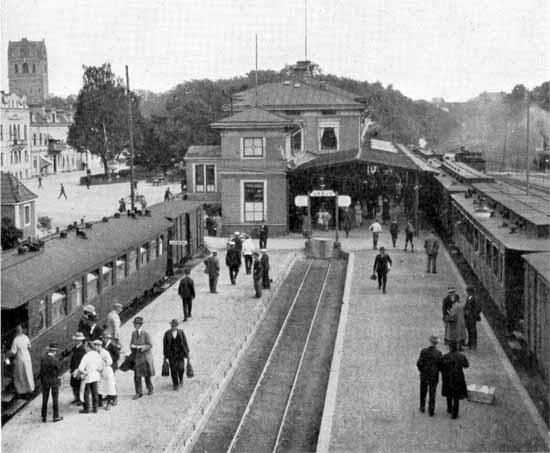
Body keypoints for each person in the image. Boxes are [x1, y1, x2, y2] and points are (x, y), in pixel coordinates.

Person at [441, 341, 469, 419]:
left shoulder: (445, 356)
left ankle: (449, 408)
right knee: (456, 396)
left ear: (449, 348)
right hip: (458, 378)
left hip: (448, 378)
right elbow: (466, 365)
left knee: (449, 394)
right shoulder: (461, 356)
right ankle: (455, 413)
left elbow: (441, 366)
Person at [416, 335, 443, 416]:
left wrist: (421, 371)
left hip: (424, 374)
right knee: (432, 392)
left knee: (423, 391)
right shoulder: (439, 353)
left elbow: (419, 363)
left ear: (430, 342)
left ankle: (422, 406)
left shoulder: (424, 351)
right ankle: (431, 409)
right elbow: (440, 365)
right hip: (434, 375)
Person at [130, 316, 155, 399]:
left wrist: (142, 347)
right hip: (137, 357)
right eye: (134, 324)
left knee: (146, 375)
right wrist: (132, 347)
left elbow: (150, 345)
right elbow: (131, 344)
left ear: (140, 325)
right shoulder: (133, 333)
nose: (135, 325)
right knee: (137, 376)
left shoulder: (146, 333)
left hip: (145, 357)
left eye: (136, 324)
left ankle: (150, 388)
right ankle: (138, 392)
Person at [163, 319, 190, 390]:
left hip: (180, 354)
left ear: (177, 326)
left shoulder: (181, 332)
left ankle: (181, 379)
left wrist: (187, 353)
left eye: (174, 326)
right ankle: (175, 384)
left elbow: (185, 342)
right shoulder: (167, 333)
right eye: (172, 325)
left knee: (181, 368)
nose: (173, 327)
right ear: (171, 326)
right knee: (173, 369)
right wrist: (165, 355)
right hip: (171, 354)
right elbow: (165, 345)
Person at [77, 341, 103, 414]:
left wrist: (84, 372)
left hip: (88, 376)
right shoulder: (97, 354)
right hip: (95, 375)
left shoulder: (86, 356)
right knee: (95, 392)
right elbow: (100, 366)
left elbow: (80, 367)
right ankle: (95, 408)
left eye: (85, 346)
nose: (85, 348)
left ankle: (87, 408)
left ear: (88, 347)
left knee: (86, 392)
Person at [39, 344, 63, 423]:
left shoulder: (43, 358)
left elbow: (41, 371)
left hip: (45, 381)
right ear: (55, 351)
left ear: (49, 350)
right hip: (54, 382)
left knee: (44, 399)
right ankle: (55, 416)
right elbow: (59, 371)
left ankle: (44, 417)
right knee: (55, 399)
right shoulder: (55, 360)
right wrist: (59, 380)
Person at [9, 325, 35, 397]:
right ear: (22, 330)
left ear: (16, 331)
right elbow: (29, 346)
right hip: (27, 358)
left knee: (21, 375)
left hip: (20, 359)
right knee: (28, 374)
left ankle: (22, 391)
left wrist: (7, 354)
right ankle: (31, 389)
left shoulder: (16, 340)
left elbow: (13, 351)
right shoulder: (26, 337)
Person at [94, 340, 116, 410]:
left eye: (98, 346)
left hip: (107, 372)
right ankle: (99, 402)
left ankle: (108, 403)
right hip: (100, 373)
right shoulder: (95, 353)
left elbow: (110, 361)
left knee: (109, 387)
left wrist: (104, 363)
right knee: (99, 387)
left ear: (100, 346)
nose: (96, 347)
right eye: (95, 346)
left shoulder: (105, 352)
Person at [67, 332, 87, 406]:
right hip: (74, 369)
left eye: (77, 340)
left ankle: (80, 399)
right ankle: (76, 398)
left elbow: (81, 361)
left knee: (79, 385)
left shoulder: (82, 349)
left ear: (80, 340)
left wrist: (78, 369)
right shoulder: (76, 347)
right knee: (73, 384)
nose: (75, 341)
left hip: (78, 370)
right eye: (75, 339)